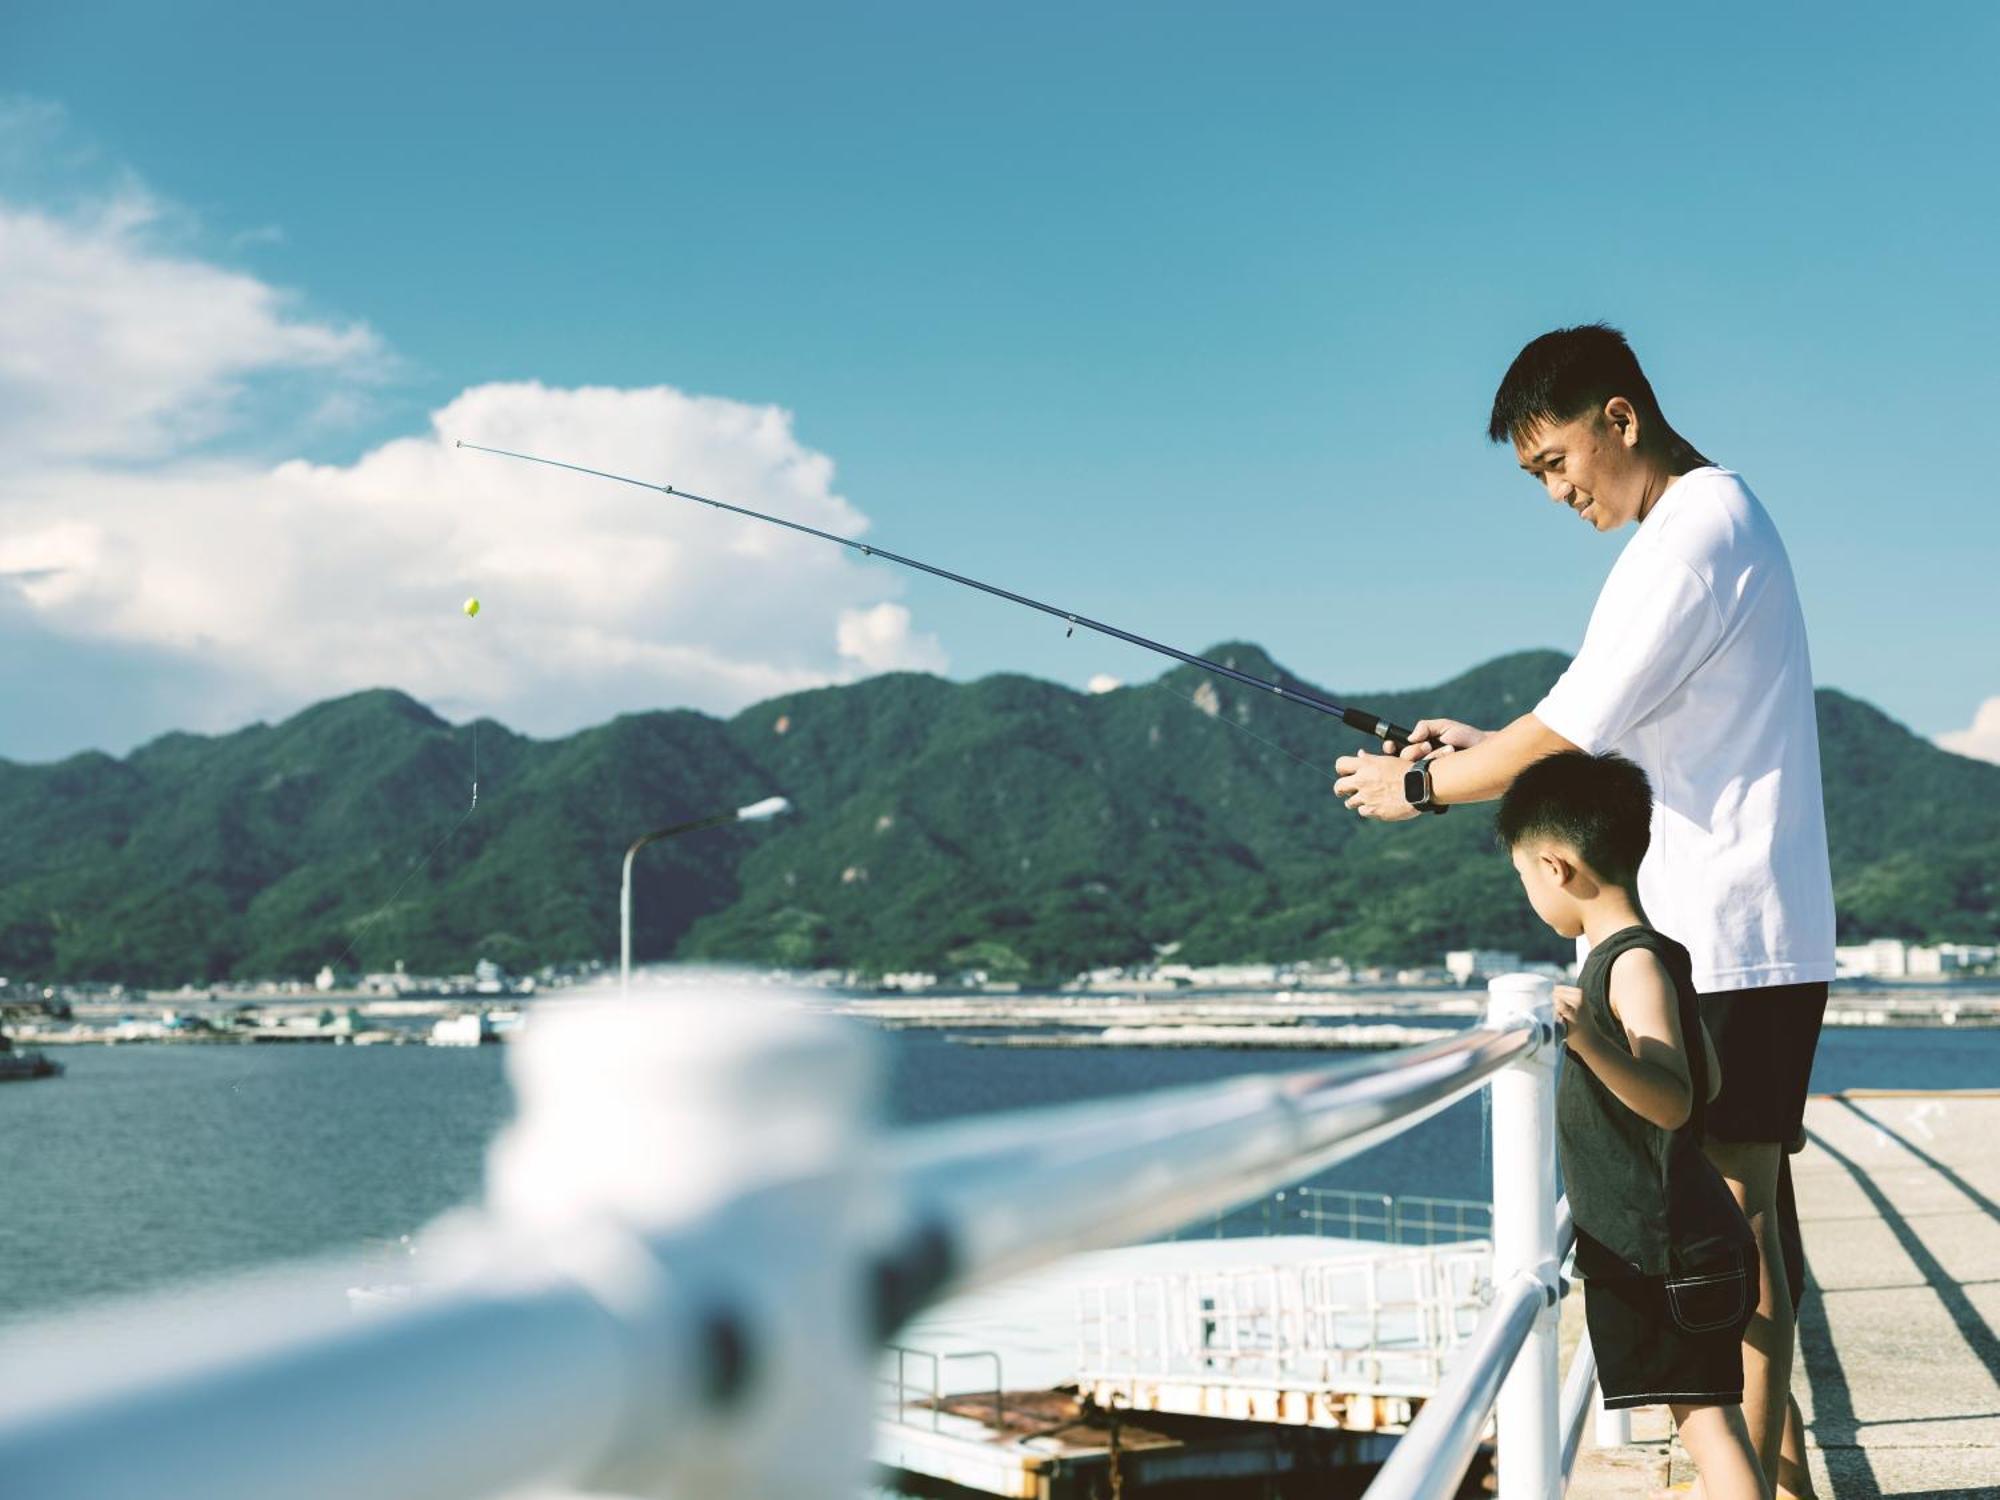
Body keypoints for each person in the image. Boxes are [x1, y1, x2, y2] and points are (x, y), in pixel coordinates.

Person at [1331, 324, 1834, 1476]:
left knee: (1732, 1222)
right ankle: (1772, 1453)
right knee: (1743, 1213)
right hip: (1737, 928)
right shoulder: (1704, 526)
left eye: (1553, 461)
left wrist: (1420, 783)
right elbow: (1591, 726)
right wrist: (1481, 745)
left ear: (1620, 417)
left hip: (1729, 933)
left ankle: (1746, 1471)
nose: (1556, 492)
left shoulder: (1689, 536)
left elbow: (1562, 731)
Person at [1498, 750, 1767, 1499]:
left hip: (1668, 1249)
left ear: (1556, 867)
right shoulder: (1658, 956)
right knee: (1709, 1417)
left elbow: (1678, 1098)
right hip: (1680, 1241)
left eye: (1523, 877)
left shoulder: (1627, 966)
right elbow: (1707, 1077)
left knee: (1708, 1424)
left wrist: (1585, 1039)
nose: (1530, 894)